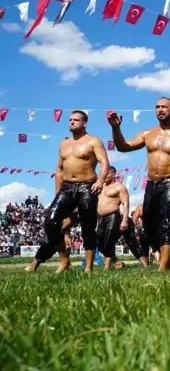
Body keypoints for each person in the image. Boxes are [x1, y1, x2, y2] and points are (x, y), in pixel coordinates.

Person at [108, 97, 170, 270]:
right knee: (148, 226)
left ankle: (163, 266)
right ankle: (169, 259)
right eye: (157, 107)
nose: (160, 109)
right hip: (152, 183)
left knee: (167, 222)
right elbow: (123, 146)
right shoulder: (147, 134)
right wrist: (116, 128)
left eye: (164, 107)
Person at [29, 110, 109, 273]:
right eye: (70, 120)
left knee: (88, 227)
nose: (71, 122)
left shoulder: (93, 141)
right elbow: (59, 170)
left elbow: (104, 163)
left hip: (87, 186)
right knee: (51, 222)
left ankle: (88, 267)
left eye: (76, 120)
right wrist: (58, 193)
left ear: (84, 123)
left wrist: (100, 181)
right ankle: (64, 261)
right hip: (66, 187)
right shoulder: (64, 144)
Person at [96, 166, 129, 270]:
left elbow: (126, 204)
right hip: (101, 218)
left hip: (113, 216)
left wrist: (124, 220)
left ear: (113, 174)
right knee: (99, 243)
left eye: (107, 174)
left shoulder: (119, 187)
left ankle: (107, 267)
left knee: (109, 241)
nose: (104, 176)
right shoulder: (100, 186)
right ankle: (117, 261)